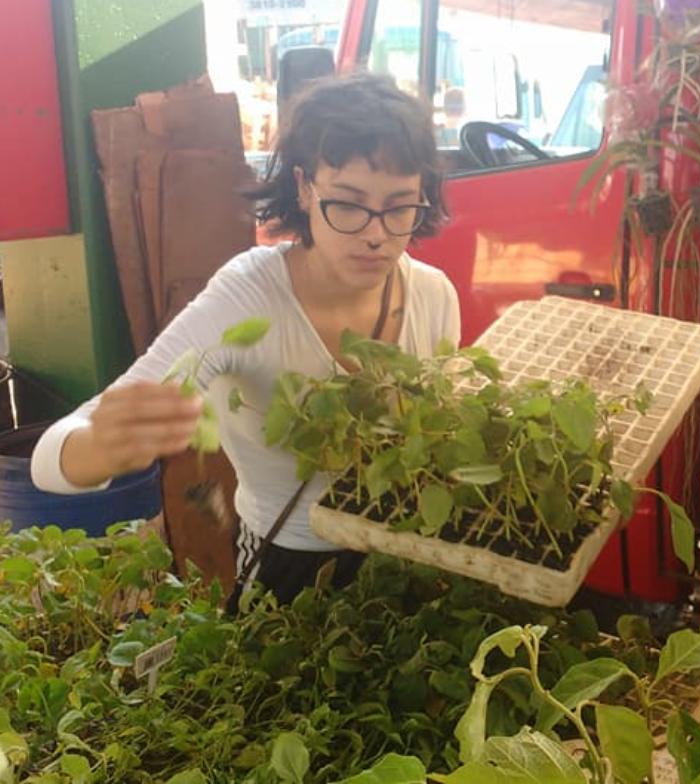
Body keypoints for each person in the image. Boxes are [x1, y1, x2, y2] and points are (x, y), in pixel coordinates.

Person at [31, 73, 460, 607]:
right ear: (305, 188)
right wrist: (98, 448)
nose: (376, 233)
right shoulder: (248, 298)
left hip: (408, 560)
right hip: (289, 570)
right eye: (347, 204)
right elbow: (50, 459)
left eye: (399, 206)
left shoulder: (434, 296)